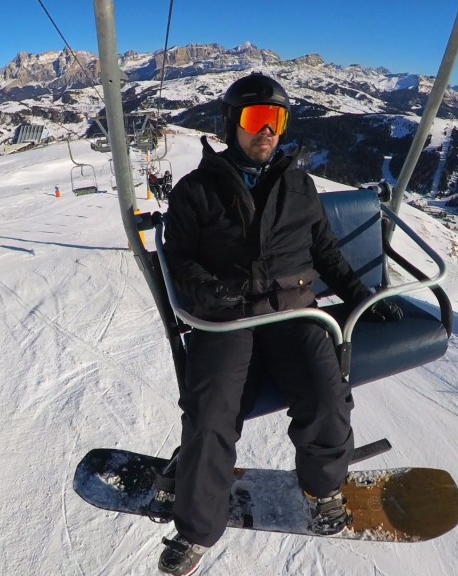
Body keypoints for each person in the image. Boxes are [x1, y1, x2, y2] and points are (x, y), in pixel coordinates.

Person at [158, 73, 402, 576]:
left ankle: (322, 489)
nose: (267, 131)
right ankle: (198, 528)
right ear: (232, 124)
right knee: (211, 412)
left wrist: (362, 296)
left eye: (277, 119)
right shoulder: (196, 190)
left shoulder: (299, 185)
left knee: (327, 396)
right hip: (228, 318)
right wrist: (205, 288)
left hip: (294, 311)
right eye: (256, 119)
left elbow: (326, 253)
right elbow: (179, 258)